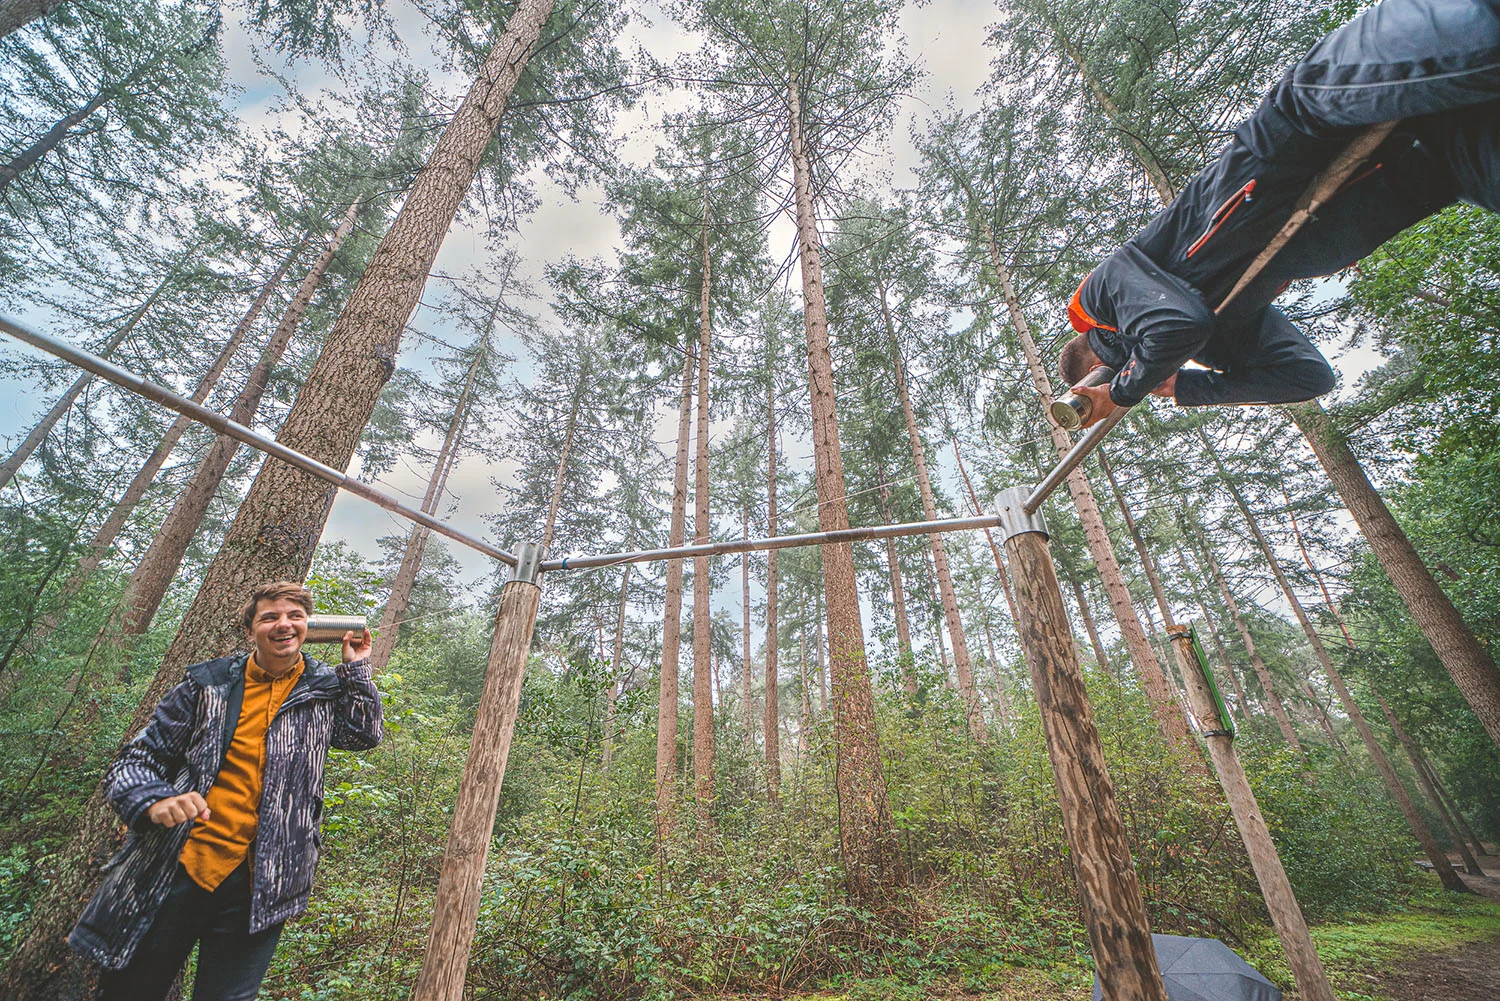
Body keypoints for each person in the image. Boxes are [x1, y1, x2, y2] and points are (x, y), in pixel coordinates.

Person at [1060, 0, 1500, 427]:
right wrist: (1185, 388)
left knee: (1485, 29)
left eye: (1111, 373)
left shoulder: (1103, 296)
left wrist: (1121, 391)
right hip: (1428, 169)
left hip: (1316, 112)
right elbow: (1308, 376)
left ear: (1099, 360)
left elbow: (1176, 325)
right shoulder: (1215, 335)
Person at [68, 580, 382, 1001]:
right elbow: (134, 761)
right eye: (269, 617)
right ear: (251, 628)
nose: (282, 625)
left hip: (266, 880)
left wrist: (357, 668)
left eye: (294, 616)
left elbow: (363, 733)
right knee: (133, 990)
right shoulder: (208, 684)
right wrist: (155, 800)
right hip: (179, 866)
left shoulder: (321, 690)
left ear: (309, 626)